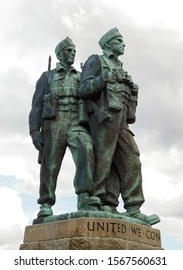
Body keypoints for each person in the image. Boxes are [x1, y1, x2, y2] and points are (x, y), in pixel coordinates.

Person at [79, 28, 160, 225]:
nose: (124, 45)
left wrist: (133, 91)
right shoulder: (96, 60)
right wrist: (103, 78)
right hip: (104, 117)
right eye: (120, 41)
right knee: (103, 160)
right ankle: (98, 200)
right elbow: (84, 89)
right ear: (109, 44)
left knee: (131, 160)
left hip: (122, 119)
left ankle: (133, 207)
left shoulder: (122, 68)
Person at [29, 37, 100, 220]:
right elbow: (36, 106)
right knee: (50, 163)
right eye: (69, 51)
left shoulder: (80, 75)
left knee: (86, 148)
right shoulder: (47, 77)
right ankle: (46, 203)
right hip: (54, 122)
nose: (72, 54)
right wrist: (34, 131)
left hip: (76, 121)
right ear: (60, 54)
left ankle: (84, 196)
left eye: (74, 51)